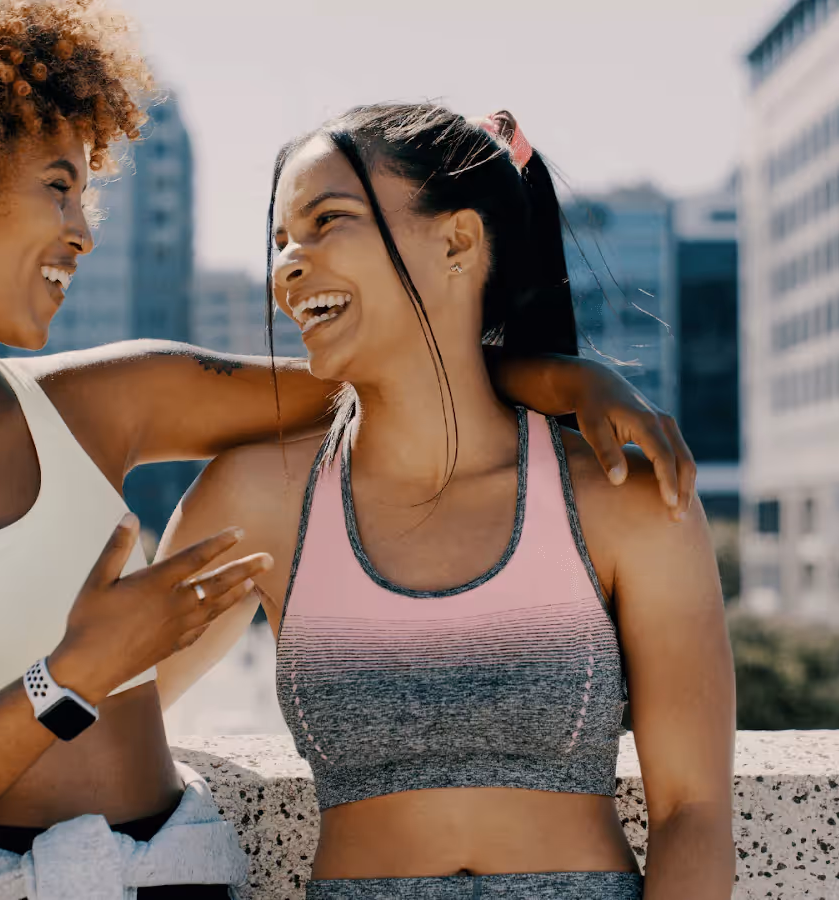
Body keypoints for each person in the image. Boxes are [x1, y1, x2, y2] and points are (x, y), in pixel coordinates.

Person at [0, 4, 698, 898]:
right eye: (58, 188)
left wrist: (567, 379)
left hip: (172, 876)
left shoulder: (111, 401)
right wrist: (76, 671)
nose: (82, 231)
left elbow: (394, 362)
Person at [154, 105, 736, 899]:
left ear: (458, 242)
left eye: (327, 221)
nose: (287, 264)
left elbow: (692, 812)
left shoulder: (623, 498)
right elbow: (115, 709)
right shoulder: (258, 500)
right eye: (281, 240)